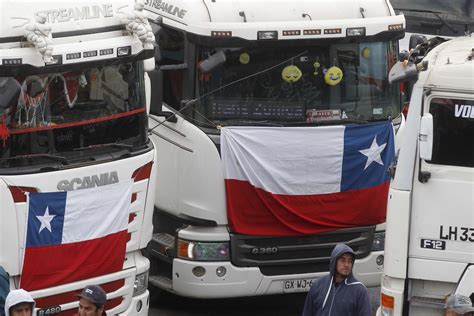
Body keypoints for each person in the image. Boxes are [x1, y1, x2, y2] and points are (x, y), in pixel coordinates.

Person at [302, 243, 371, 316]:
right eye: (342, 260)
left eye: (350, 261)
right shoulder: (318, 285)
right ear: (334, 261)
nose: (347, 265)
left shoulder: (360, 291)